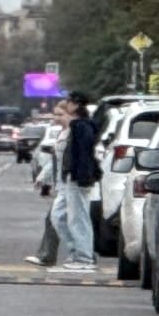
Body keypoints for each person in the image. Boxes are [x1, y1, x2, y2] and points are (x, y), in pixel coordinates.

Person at [54, 90, 102, 265]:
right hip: (70, 177)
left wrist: (83, 177)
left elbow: (84, 154)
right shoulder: (78, 126)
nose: (66, 104)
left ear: (75, 105)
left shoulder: (82, 126)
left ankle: (84, 257)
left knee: (79, 218)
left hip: (78, 178)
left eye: (69, 102)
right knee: (58, 216)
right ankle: (77, 252)